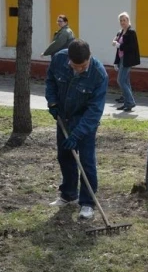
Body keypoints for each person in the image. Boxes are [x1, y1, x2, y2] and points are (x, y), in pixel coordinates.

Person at [45, 39, 108, 220]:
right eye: (75, 66)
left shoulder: (98, 74)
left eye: (83, 66)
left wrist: (78, 134)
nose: (79, 69)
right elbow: (50, 80)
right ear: (69, 60)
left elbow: (95, 110)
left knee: (86, 161)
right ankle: (68, 194)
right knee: (64, 156)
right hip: (63, 117)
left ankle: (87, 202)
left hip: (85, 121)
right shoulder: (59, 59)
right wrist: (52, 102)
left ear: (90, 57)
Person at [112, 12, 140, 112]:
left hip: (127, 59)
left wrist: (119, 45)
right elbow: (116, 46)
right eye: (121, 20)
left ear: (128, 20)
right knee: (126, 82)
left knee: (121, 80)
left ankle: (130, 102)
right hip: (121, 59)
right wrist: (116, 62)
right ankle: (127, 103)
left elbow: (132, 47)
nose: (122, 22)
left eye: (124, 20)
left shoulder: (131, 32)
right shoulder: (120, 32)